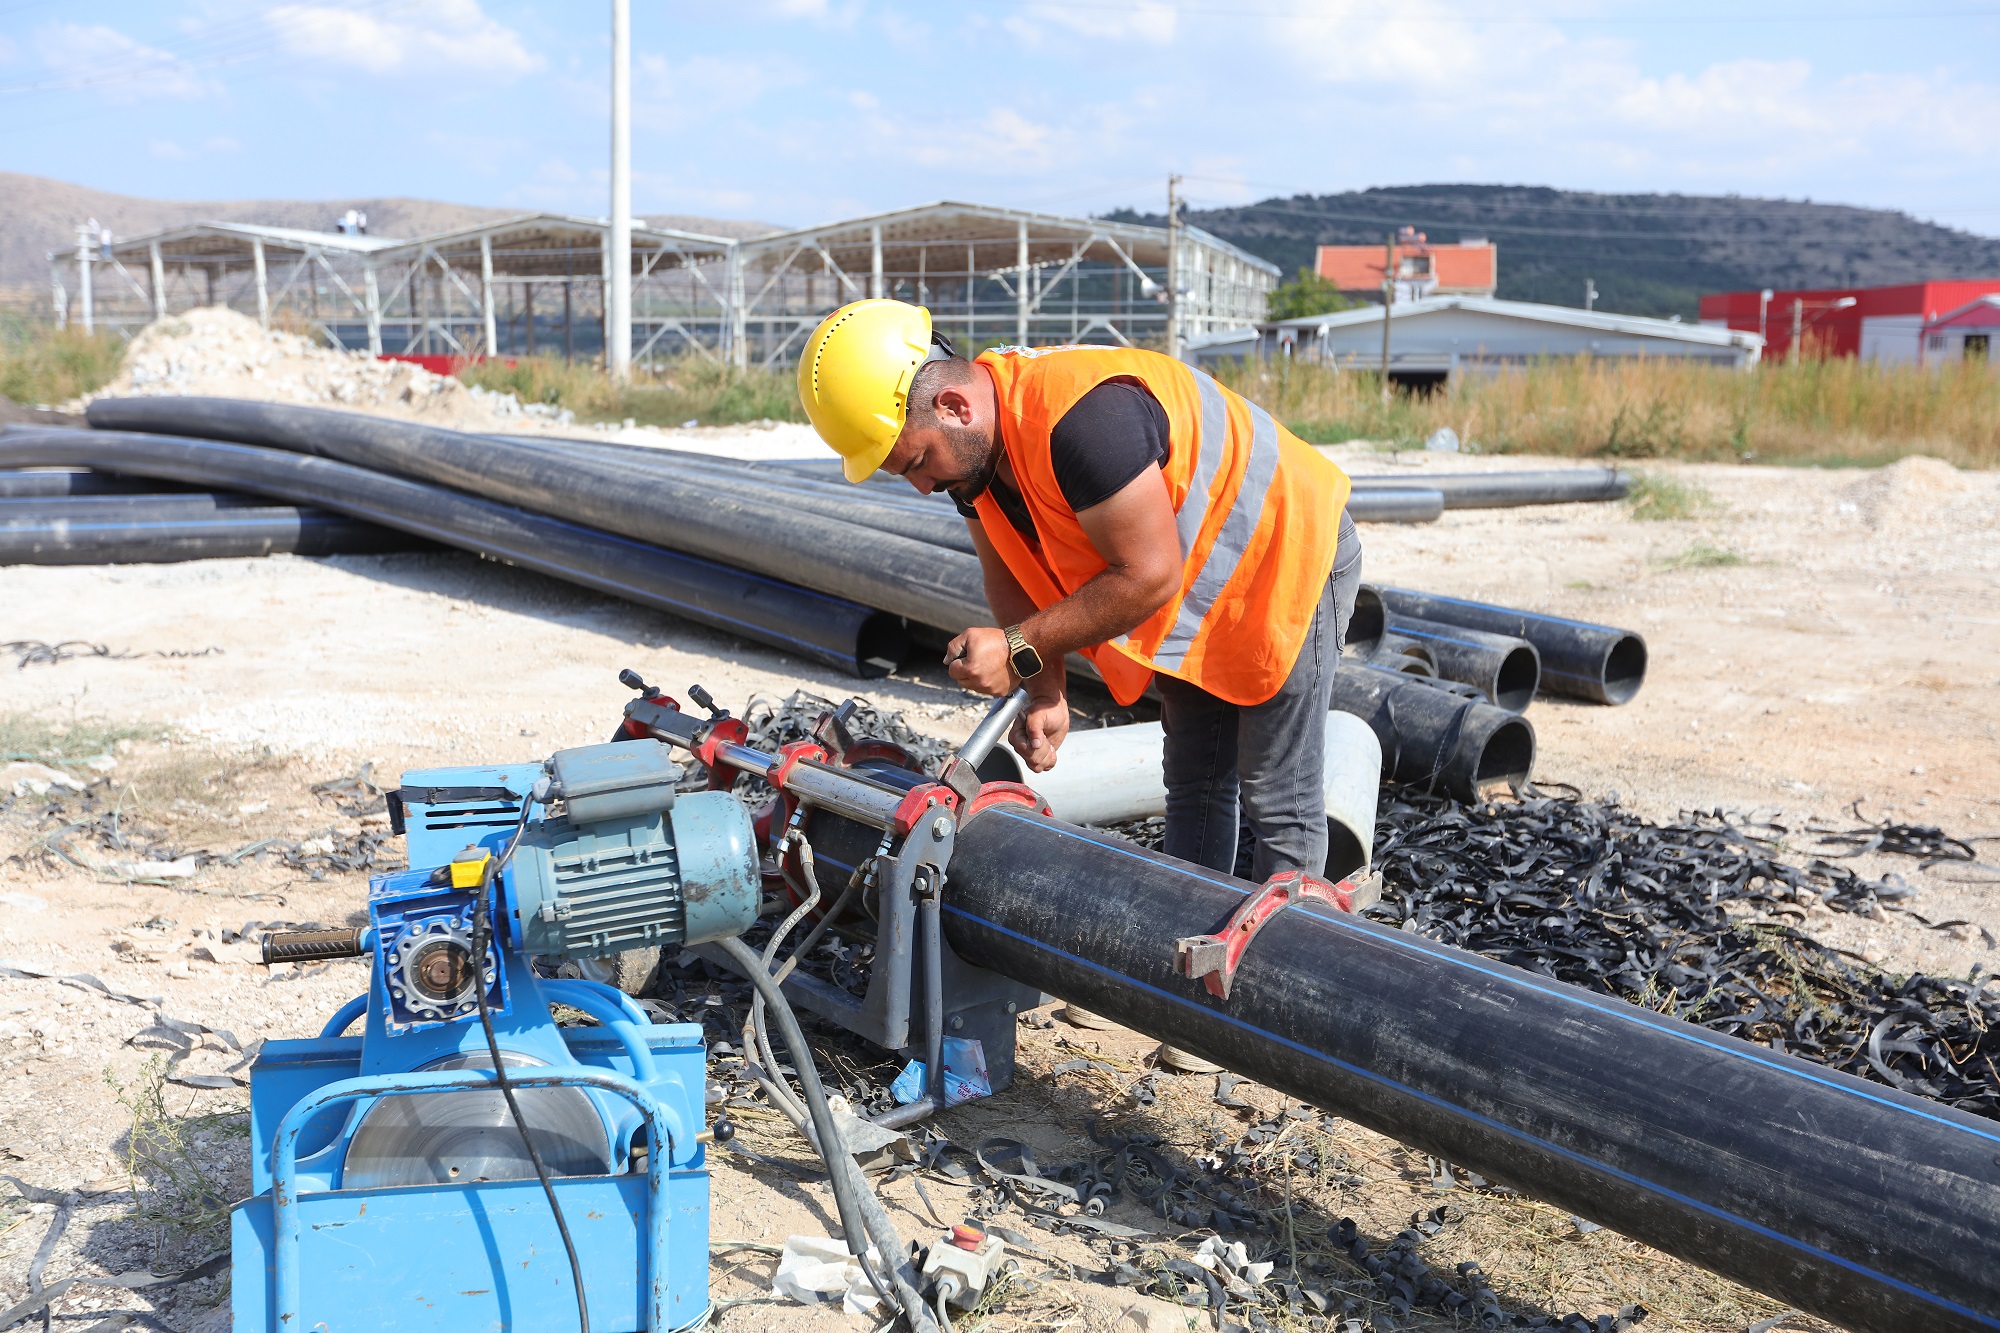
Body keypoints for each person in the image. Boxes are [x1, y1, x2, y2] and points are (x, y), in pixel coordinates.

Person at [797, 299, 1362, 881]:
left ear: (954, 405)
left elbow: (1149, 574)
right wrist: (1043, 688)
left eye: (917, 460)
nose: (921, 486)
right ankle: (1184, 936)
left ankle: (1290, 954)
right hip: (1200, 572)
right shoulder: (974, 459)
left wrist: (1017, 647)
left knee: (1276, 793)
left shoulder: (1083, 423)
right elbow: (1010, 575)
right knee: (1196, 775)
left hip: (1286, 549)